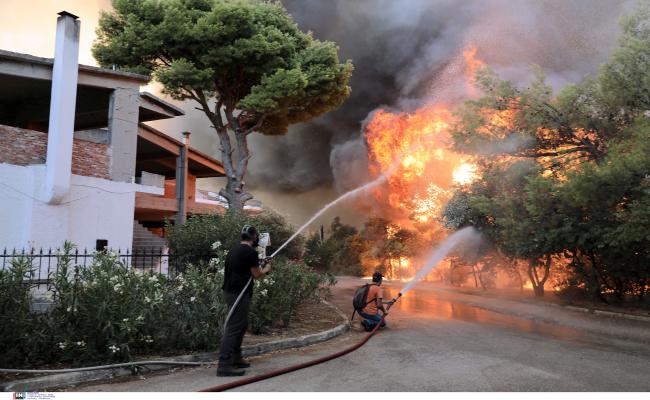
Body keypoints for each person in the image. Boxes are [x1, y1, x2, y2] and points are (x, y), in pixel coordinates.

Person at [216, 225, 272, 377]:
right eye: (257, 236)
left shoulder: (234, 250)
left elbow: (244, 267)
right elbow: (257, 274)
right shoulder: (250, 252)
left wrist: (260, 263)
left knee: (241, 325)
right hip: (239, 294)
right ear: (253, 237)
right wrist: (267, 268)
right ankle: (224, 365)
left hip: (230, 292)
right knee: (234, 327)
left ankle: (236, 357)